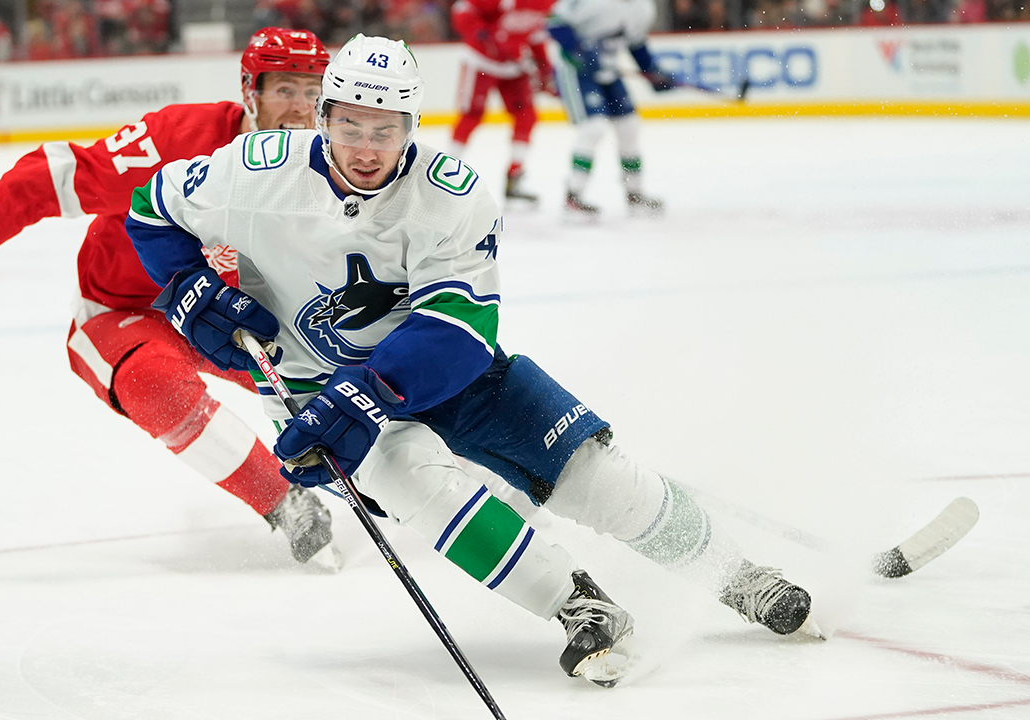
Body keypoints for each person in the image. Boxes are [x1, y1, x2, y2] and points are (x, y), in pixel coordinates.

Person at [126, 34, 820, 688]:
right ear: (323, 116)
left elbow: (457, 327)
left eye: (386, 129)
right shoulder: (252, 175)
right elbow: (149, 210)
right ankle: (578, 607)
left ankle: (741, 575)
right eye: (349, 127)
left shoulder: (449, 192)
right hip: (313, 381)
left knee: (593, 476)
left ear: (412, 124)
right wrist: (187, 292)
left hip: (445, 371)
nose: (366, 149)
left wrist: (370, 390)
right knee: (417, 487)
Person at [0, 27, 338, 568]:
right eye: (285, 89)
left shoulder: (331, 167)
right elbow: (52, 177)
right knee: (153, 383)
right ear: (249, 89)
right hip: (124, 314)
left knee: (359, 379)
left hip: (234, 319)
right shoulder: (174, 140)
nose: (301, 109)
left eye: (314, 94)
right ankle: (285, 503)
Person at [546, 0, 675, 216]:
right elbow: (555, 22)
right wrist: (579, 51)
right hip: (577, 71)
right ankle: (573, 196)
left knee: (629, 127)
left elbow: (636, 45)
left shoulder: (644, 8)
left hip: (609, 72)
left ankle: (634, 193)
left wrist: (652, 72)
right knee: (593, 128)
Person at [447, 0, 557, 204]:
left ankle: (515, 177)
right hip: (480, 59)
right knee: (471, 114)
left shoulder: (547, 4)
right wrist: (482, 34)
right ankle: (445, 171)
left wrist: (545, 71)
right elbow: (462, 10)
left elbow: (534, 36)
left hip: (513, 65)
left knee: (527, 116)